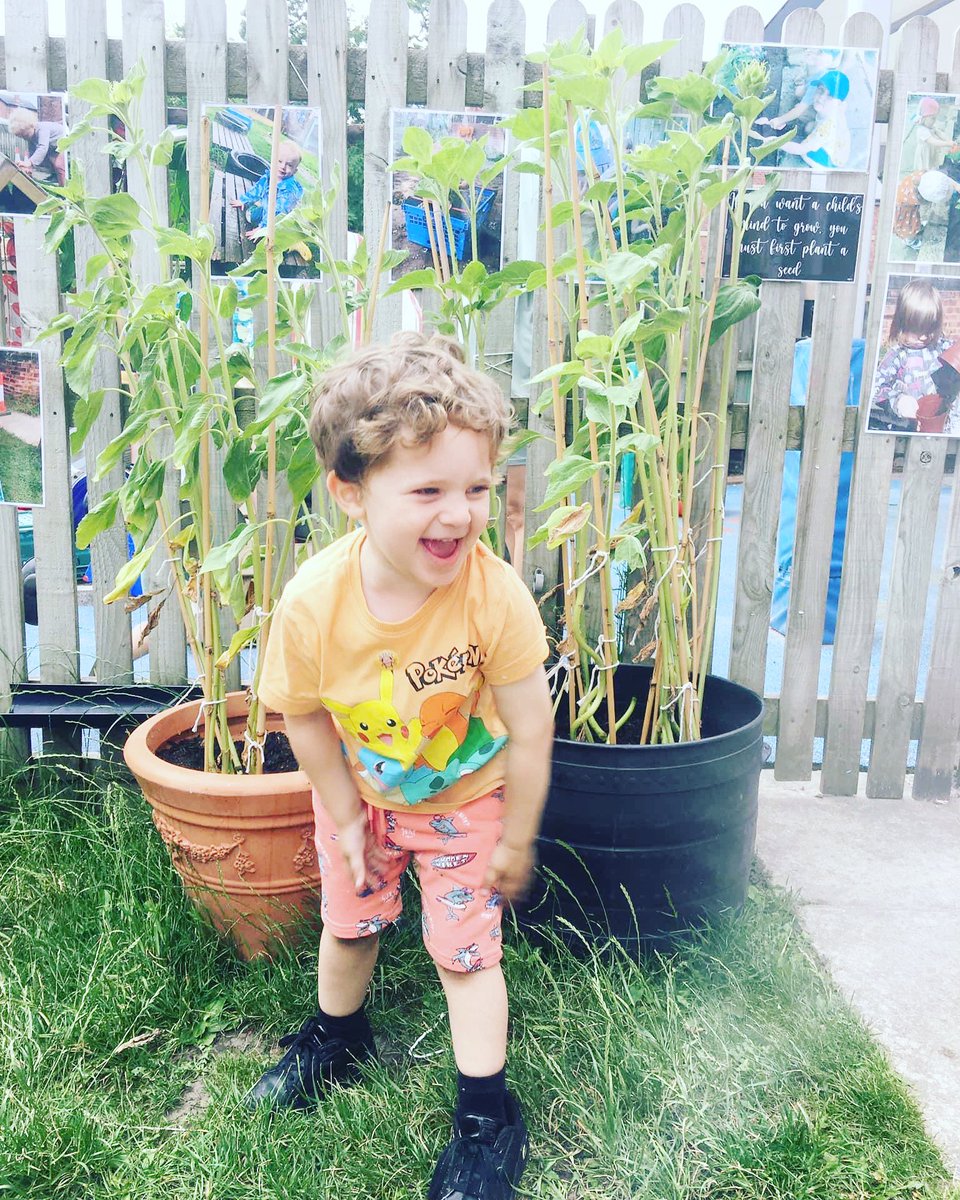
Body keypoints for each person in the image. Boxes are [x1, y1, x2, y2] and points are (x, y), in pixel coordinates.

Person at [253, 332, 553, 1200]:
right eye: (427, 490)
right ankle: (335, 1040)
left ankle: (485, 1120)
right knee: (348, 924)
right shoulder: (315, 601)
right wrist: (346, 818)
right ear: (351, 492)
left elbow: (531, 729)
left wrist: (516, 840)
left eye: (476, 488)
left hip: (466, 804)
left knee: (465, 955)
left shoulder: (493, 597)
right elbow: (302, 714)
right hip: (363, 797)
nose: (458, 514)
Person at [868, 279, 952, 433]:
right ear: (902, 324)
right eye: (917, 329)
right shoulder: (897, 355)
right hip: (910, 433)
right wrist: (898, 400)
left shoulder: (942, 347)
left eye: (930, 328)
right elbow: (874, 389)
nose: (923, 337)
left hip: (944, 431)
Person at [229, 139, 304, 239]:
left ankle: (292, 243)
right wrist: (243, 200)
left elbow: (278, 213)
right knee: (254, 210)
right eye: (280, 161)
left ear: (295, 171)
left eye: (289, 165)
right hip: (268, 209)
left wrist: (262, 228)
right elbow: (258, 188)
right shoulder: (271, 175)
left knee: (254, 220)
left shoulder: (288, 191)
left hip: (280, 221)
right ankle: (261, 205)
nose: (283, 166)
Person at [780, 69, 851, 169]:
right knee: (809, 127)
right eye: (821, 90)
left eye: (830, 96)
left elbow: (800, 149)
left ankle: (817, 166)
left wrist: (776, 143)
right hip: (837, 146)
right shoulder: (834, 110)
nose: (821, 97)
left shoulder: (827, 128)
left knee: (806, 152)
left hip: (831, 160)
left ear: (839, 103)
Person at [8, 106, 66, 185]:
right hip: (53, 148)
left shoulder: (42, 129)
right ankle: (56, 177)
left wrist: (29, 162)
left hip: (63, 142)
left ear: (31, 125)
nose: (25, 138)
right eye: (22, 137)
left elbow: (42, 147)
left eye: (26, 135)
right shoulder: (30, 136)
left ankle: (64, 189)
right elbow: (32, 151)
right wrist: (29, 167)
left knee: (59, 165)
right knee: (48, 162)